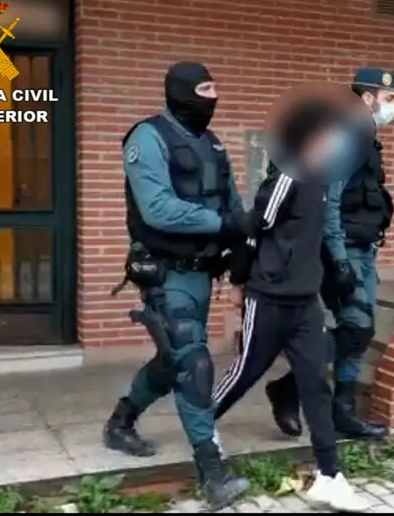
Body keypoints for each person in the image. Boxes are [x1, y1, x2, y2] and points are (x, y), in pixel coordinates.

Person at [103, 61, 256, 509]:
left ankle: (121, 420)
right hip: (164, 272)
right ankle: (213, 471)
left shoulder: (212, 143)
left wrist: (240, 246)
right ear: (182, 92)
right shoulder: (146, 138)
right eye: (206, 88)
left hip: (201, 273)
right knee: (194, 363)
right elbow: (157, 209)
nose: (214, 97)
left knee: (174, 359)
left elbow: (234, 207)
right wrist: (225, 224)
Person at [211, 101, 370, 512]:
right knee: (246, 371)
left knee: (315, 383)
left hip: (305, 303)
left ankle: (330, 475)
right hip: (269, 299)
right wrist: (239, 281)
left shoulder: (322, 179)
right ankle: (202, 425)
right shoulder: (289, 175)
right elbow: (253, 229)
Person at [265, 67, 394, 441]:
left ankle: (339, 408)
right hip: (344, 251)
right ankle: (297, 391)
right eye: (388, 99)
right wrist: (339, 260)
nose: (392, 107)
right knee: (356, 327)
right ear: (366, 99)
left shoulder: (366, 138)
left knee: (359, 329)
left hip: (363, 250)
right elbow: (331, 204)